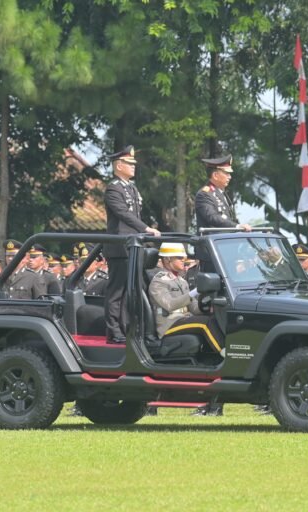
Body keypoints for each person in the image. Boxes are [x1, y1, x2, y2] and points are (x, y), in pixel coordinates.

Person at [149, 243, 224, 417]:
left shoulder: (181, 280)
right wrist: (194, 293)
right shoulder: (159, 281)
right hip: (169, 325)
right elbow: (169, 304)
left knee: (210, 319)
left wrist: (209, 304)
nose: (184, 261)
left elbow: (194, 309)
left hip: (183, 320)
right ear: (167, 260)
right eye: (179, 258)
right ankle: (224, 353)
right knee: (204, 324)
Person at [103, 145, 161, 345]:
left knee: (133, 289)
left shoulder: (132, 188)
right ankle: (114, 330)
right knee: (117, 291)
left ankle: (131, 328)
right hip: (120, 247)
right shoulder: (113, 189)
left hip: (134, 246)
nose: (133, 167)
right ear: (119, 165)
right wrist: (146, 228)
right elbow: (123, 214)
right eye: (129, 164)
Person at [195, 155, 251, 231]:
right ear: (215, 175)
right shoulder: (204, 194)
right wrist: (237, 226)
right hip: (212, 240)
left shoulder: (220, 192)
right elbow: (212, 217)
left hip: (224, 240)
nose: (230, 177)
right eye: (226, 173)